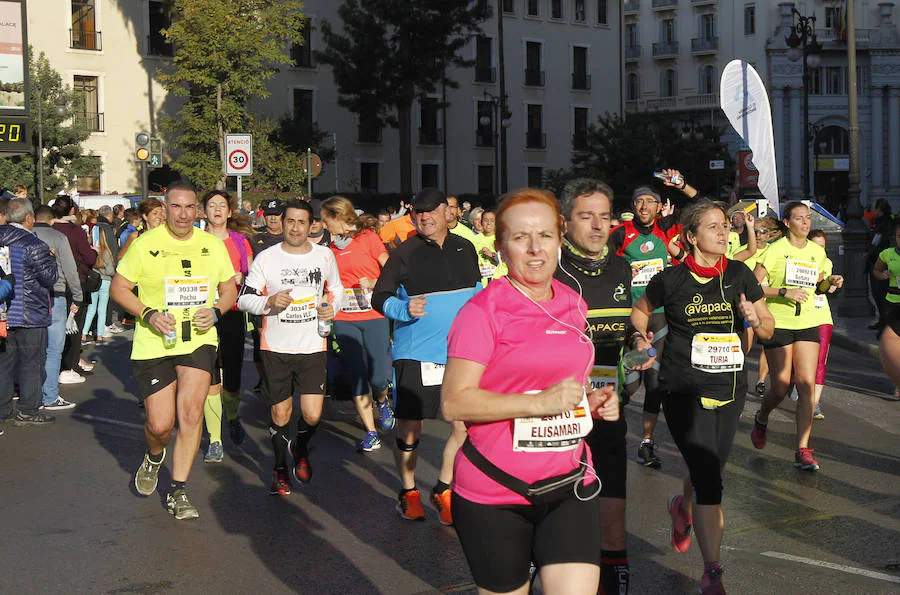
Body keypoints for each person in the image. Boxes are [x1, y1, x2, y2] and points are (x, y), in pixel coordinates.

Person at [441, 188, 620, 595]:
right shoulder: (483, 312)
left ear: (560, 240)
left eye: (545, 236)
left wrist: (590, 401)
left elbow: (566, 382)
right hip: (495, 490)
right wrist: (538, 404)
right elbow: (454, 401)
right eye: (521, 238)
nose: (535, 249)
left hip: (569, 483)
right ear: (501, 248)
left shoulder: (574, 303)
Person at [631, 200, 774, 595]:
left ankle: (682, 508)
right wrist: (640, 339)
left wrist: (753, 316)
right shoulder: (671, 280)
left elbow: (767, 328)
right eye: (713, 227)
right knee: (710, 477)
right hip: (681, 387)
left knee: (710, 468)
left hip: (729, 388)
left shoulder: (741, 274)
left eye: (725, 226)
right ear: (691, 237)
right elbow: (640, 311)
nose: (724, 232)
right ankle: (713, 570)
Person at [110, 182, 237, 520]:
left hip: (198, 338)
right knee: (160, 425)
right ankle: (154, 457)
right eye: (176, 207)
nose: (183, 214)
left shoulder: (211, 245)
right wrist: (148, 314)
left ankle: (178, 490)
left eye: (189, 207)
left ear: (197, 210)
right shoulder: (145, 244)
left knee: (192, 413)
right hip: (155, 342)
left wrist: (219, 311)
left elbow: (228, 288)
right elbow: (119, 288)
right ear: (165, 209)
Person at [372, 188, 481, 524]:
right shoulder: (405, 252)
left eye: (430, 211)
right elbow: (380, 297)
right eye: (417, 213)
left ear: (446, 212)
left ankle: (444, 488)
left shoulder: (465, 247)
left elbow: (477, 294)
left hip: (459, 352)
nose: (424, 218)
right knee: (410, 428)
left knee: (464, 426)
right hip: (416, 353)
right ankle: (408, 492)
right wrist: (403, 308)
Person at [555, 178, 642, 595]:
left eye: (603, 217)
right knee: (563, 519)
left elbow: (625, 325)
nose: (596, 226)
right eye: (585, 216)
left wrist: (638, 341)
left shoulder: (622, 267)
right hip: (556, 412)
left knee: (613, 520)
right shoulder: (550, 269)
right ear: (565, 221)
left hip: (608, 404)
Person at [237, 199, 342, 495]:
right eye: (291, 221)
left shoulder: (324, 257)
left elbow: (337, 290)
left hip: (312, 346)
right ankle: (280, 468)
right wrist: (268, 302)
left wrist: (330, 307)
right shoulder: (267, 259)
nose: (295, 228)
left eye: (301, 222)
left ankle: (300, 445)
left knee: (311, 416)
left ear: (311, 226)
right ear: (282, 223)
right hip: (276, 348)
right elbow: (244, 299)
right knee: (280, 415)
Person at [750, 201, 843, 472]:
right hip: (778, 322)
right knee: (780, 385)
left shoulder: (817, 252)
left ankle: (803, 449)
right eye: (799, 219)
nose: (805, 223)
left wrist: (832, 281)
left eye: (807, 218)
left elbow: (820, 285)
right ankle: (763, 416)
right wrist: (783, 292)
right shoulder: (775, 251)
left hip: (808, 322)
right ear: (787, 223)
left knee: (806, 384)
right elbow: (754, 286)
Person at [607, 186, 678, 468]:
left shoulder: (666, 232)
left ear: (659, 207)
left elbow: (684, 259)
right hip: (630, 315)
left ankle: (646, 443)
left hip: (659, 315)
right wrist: (623, 269)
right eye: (639, 201)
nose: (644, 206)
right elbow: (604, 261)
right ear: (634, 206)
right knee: (630, 384)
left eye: (650, 201)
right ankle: (611, 431)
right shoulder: (621, 233)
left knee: (655, 382)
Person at [320, 196, 395, 451]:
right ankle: (370, 431)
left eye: (326, 220)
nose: (323, 225)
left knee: (378, 377)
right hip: (344, 318)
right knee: (356, 374)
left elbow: (392, 271)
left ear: (339, 218)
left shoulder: (369, 240)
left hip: (373, 314)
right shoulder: (328, 250)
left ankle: (383, 401)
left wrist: (375, 284)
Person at [200, 190, 253, 462]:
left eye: (222, 205)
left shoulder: (240, 241)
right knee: (210, 373)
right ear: (204, 212)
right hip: (203, 314)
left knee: (232, 373)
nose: (217, 209)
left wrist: (242, 277)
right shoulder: (195, 241)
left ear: (229, 212)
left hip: (231, 312)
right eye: (212, 205)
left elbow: (252, 277)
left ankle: (232, 416)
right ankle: (215, 439)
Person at [0, 199, 59, 427]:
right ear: (28, 218)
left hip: (4, 313)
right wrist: (51, 258)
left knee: (4, 364)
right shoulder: (35, 244)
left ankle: (3, 408)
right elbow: (49, 278)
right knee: (31, 364)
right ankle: (28, 409)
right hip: (29, 312)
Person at [33, 206, 83, 410]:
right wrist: (78, 297)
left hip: (30, 297)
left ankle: (29, 393)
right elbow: (70, 270)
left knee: (32, 349)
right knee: (54, 349)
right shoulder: (58, 237)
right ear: (52, 220)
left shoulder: (24, 236)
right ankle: (50, 395)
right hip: (56, 295)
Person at [52, 196, 97, 384]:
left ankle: (62, 364)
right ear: (71, 211)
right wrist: (94, 252)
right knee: (74, 325)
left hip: (52, 282)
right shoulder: (75, 231)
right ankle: (68, 366)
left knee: (56, 326)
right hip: (75, 280)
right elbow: (89, 257)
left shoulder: (51, 229)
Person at [247, 198, 285, 401]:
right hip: (262, 300)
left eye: (276, 214)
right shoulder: (255, 239)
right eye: (268, 214)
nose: (272, 218)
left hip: (287, 298)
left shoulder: (291, 238)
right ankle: (265, 378)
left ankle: (283, 378)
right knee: (260, 342)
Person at [744, 216, 787, 396]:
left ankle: (761, 380)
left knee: (765, 345)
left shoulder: (775, 251)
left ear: (770, 234)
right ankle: (736, 371)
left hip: (767, 307)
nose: (758, 235)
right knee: (745, 345)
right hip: (747, 307)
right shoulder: (744, 252)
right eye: (754, 231)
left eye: (762, 232)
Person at [806, 230, 841, 420]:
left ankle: (814, 404)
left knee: (820, 360)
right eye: (816, 245)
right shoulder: (797, 260)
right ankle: (796, 382)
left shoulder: (827, 263)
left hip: (822, 316)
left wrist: (833, 283)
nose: (820, 249)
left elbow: (826, 287)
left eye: (823, 246)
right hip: (800, 316)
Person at [872, 217, 900, 398]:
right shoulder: (887, 253)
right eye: (899, 236)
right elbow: (876, 271)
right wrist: (883, 275)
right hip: (893, 301)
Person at [82, 217, 117, 345]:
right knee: (102, 309)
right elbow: (110, 270)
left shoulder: (90, 250)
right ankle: (100, 336)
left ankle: (84, 334)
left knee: (91, 308)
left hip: (93, 281)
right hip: (106, 281)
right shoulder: (106, 252)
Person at [867, 198, 893, 331]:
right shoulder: (880, 222)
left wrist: (872, 253)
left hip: (881, 263)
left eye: (875, 208)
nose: (873, 210)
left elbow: (881, 243)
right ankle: (882, 320)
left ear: (880, 209)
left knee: (882, 293)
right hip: (876, 260)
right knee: (877, 293)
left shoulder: (886, 223)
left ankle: (886, 322)